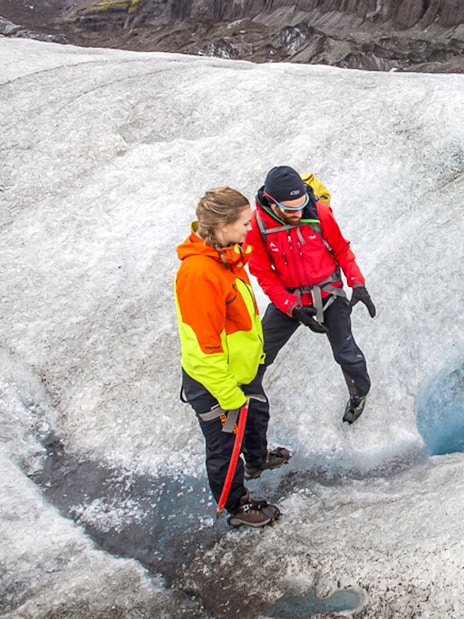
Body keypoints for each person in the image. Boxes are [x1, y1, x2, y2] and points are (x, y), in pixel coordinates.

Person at [175, 187, 290, 528]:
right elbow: (203, 346)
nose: (249, 228)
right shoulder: (199, 274)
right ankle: (236, 506)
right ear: (223, 225)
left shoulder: (225, 255)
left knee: (257, 415)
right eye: (243, 222)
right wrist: (228, 397)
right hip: (216, 383)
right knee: (224, 446)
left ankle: (256, 460)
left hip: (239, 371)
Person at [246, 166, 376, 424]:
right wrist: (291, 307)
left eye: (301, 204)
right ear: (272, 203)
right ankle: (245, 401)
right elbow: (263, 273)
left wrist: (357, 283)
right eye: (290, 209)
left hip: (328, 292)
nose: (298, 213)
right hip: (290, 297)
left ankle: (359, 393)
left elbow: (341, 250)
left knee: (346, 352)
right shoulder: (256, 226)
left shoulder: (320, 213)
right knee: (258, 353)